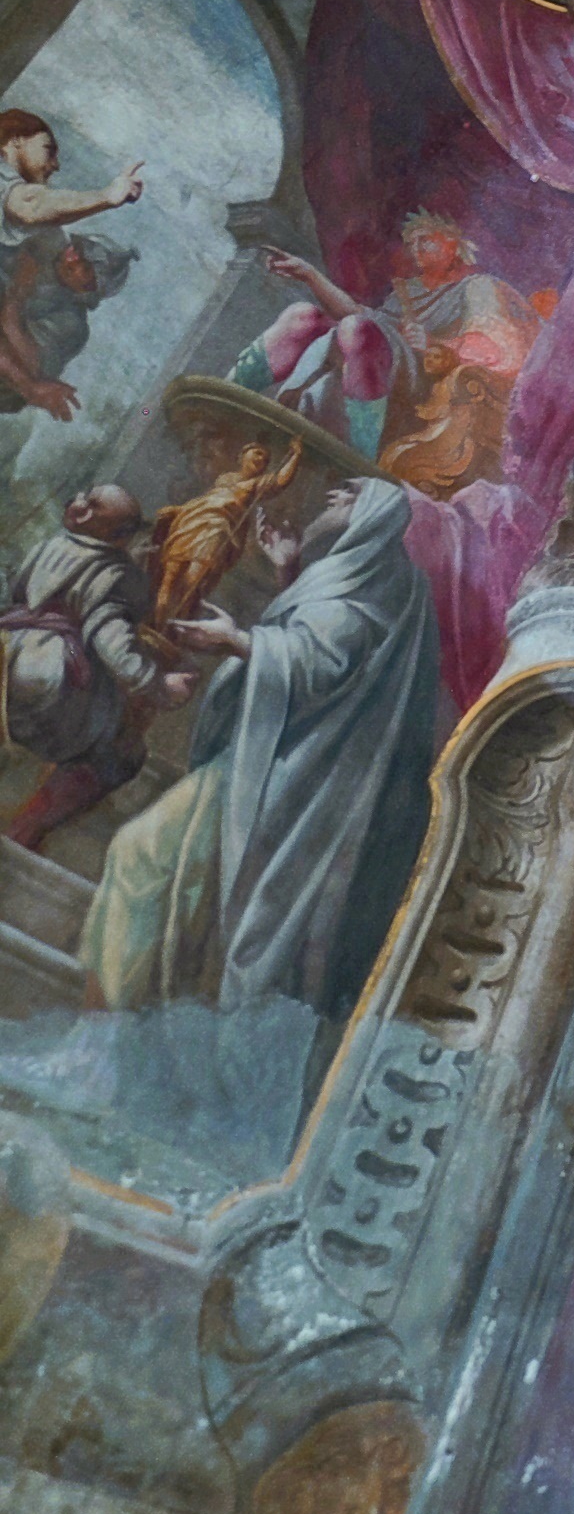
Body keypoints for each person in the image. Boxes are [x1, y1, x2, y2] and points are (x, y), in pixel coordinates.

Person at [79, 477, 439, 1031]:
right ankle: (106, 1029)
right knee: (167, 878)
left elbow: (322, 663)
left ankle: (99, 1038)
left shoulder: (378, 581)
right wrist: (287, 573)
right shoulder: (360, 572)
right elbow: (318, 639)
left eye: (344, 494)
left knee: (138, 854)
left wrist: (235, 641)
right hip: (265, 760)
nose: (330, 497)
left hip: (286, 782)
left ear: (371, 515)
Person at [234, 217, 550, 491]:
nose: (416, 249)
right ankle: (234, 395)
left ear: (453, 245)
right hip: (380, 354)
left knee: (357, 329)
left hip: (427, 378)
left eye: (427, 241)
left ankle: (359, 456)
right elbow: (363, 315)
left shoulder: (477, 287)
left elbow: (499, 346)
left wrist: (436, 344)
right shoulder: (406, 294)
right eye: (412, 244)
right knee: (303, 315)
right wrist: (309, 275)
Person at [2, 483, 193, 852]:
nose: (77, 507)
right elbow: (111, 641)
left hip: (8, 644)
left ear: (118, 533)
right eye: (82, 499)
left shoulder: (51, 545)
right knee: (118, 753)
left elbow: (19, 591)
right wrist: (157, 684)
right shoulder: (120, 576)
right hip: (45, 673)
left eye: (92, 508)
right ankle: (25, 832)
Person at [0, 113, 143, 425]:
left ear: (91, 290)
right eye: (48, 149)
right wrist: (106, 196)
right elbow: (29, 204)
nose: (73, 255)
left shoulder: (68, 321)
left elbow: (26, 368)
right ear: (16, 141)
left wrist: (14, 301)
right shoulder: (37, 230)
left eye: (86, 264)